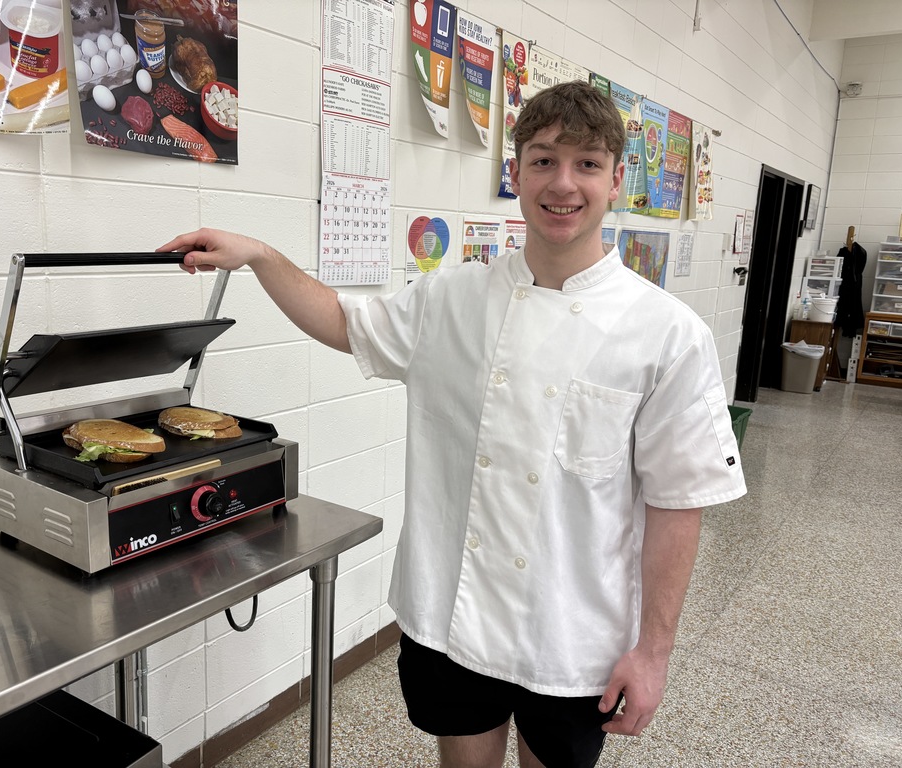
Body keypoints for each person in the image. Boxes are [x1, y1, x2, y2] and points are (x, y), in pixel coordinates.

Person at [159, 80, 747, 768]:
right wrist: (261, 255)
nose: (563, 183)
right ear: (515, 173)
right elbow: (344, 322)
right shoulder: (452, 298)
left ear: (617, 179)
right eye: (543, 159)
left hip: (573, 630)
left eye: (587, 163)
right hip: (452, 613)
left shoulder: (668, 333)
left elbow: (677, 504)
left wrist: (654, 652)